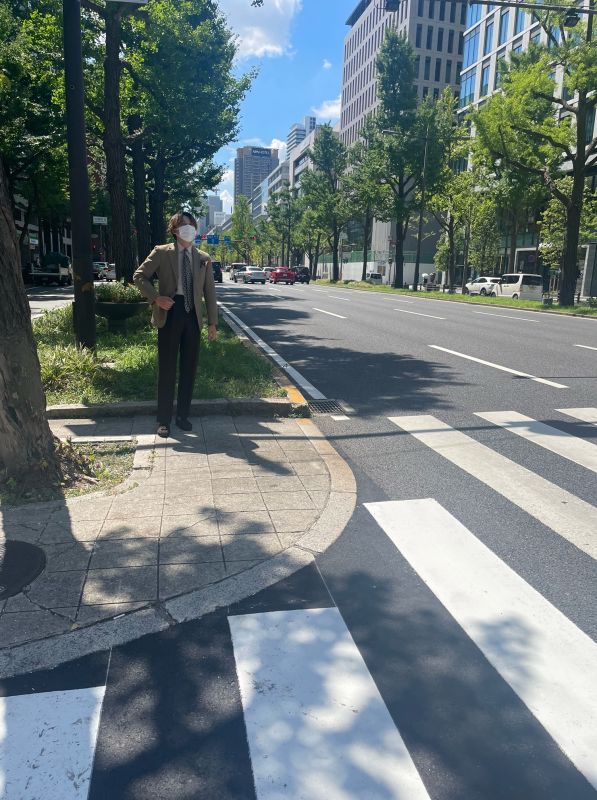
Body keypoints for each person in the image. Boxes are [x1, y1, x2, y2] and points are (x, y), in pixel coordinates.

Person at [134, 211, 218, 438]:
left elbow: (210, 292)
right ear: (174, 230)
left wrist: (212, 322)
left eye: (191, 225)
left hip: (193, 315)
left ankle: (182, 415)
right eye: (183, 225)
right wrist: (156, 298)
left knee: (189, 367)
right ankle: (163, 420)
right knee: (167, 367)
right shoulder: (162, 252)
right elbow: (139, 276)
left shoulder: (203, 257)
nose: (188, 229)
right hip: (170, 311)